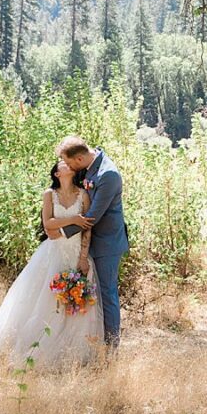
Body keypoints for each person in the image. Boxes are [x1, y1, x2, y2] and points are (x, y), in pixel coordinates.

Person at [0, 157, 104, 369]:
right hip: (52, 253)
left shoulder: (83, 194)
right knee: (46, 299)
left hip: (76, 253)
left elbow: (87, 227)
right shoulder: (49, 195)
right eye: (61, 163)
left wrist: (83, 257)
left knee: (75, 302)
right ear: (57, 173)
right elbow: (48, 226)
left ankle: (72, 353)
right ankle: (37, 348)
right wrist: (74, 219)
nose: (66, 163)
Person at [56, 134, 129, 350]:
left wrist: (59, 233)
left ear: (78, 159)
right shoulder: (90, 167)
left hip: (107, 244)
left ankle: (112, 348)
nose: (69, 167)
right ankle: (92, 343)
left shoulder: (108, 175)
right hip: (88, 242)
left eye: (69, 163)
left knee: (107, 294)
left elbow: (92, 217)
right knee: (94, 294)